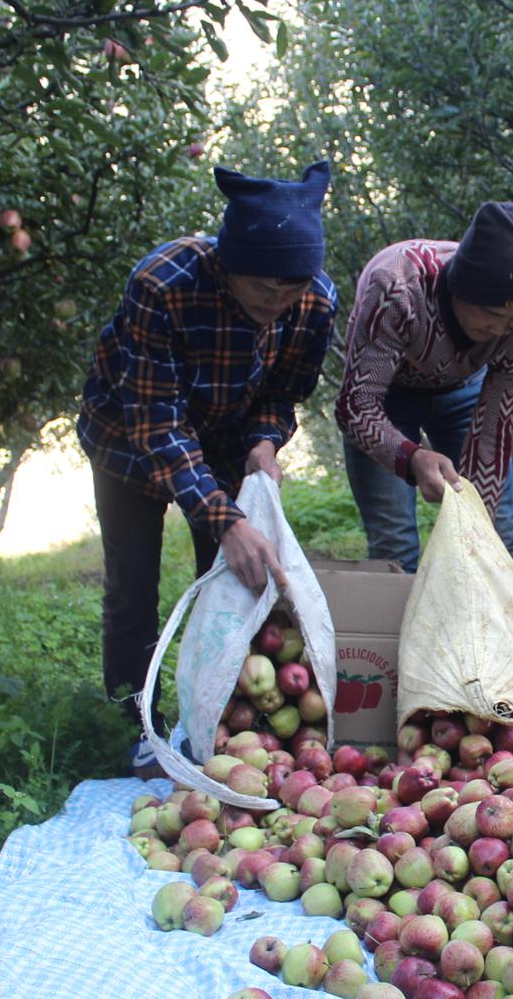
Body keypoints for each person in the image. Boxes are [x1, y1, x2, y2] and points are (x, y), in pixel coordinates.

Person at [77, 160, 335, 775]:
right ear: (228, 266)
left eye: (290, 293)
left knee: (234, 584)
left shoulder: (314, 301)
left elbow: (282, 393)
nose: (278, 305)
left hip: (224, 438)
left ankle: (225, 721)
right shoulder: (164, 284)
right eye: (264, 291)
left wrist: (264, 442)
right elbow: (157, 424)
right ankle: (136, 723)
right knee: (132, 586)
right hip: (128, 438)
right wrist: (224, 519)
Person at [336, 202, 513, 570]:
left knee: (497, 536)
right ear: (459, 290)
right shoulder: (397, 289)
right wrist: (412, 458)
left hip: (463, 391)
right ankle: (395, 609)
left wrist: (481, 526)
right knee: (395, 543)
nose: (499, 331)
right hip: (384, 395)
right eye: (492, 316)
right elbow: (356, 404)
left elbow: (493, 429)